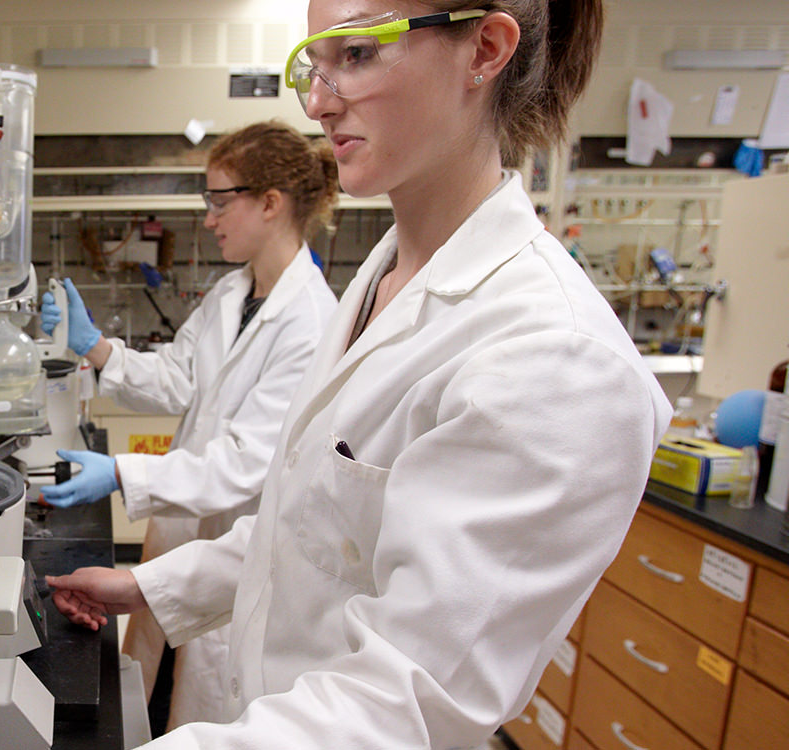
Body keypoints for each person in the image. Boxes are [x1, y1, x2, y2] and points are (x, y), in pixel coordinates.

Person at [46, 1, 672, 747]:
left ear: (486, 48)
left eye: (359, 55)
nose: (316, 100)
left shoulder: (556, 359)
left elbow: (405, 701)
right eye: (316, 64)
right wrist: (146, 586)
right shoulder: (382, 280)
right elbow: (308, 528)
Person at [39, 121, 340, 729]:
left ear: (271, 203)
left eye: (220, 200)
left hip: (238, 552)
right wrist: (96, 348)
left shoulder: (311, 322)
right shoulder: (232, 292)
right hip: (181, 537)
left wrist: (123, 471)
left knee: (204, 709)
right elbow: (179, 377)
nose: (208, 218)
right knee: (141, 698)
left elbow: (244, 463)